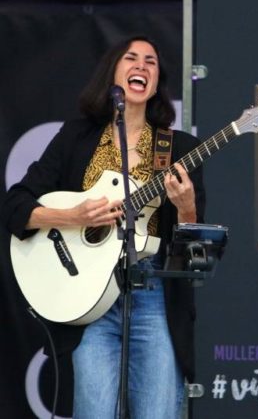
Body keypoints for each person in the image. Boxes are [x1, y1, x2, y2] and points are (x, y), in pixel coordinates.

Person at [1, 36, 205, 418]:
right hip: (89, 299)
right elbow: (15, 206)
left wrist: (187, 207)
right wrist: (74, 216)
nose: (142, 66)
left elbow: (196, 248)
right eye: (131, 58)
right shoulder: (76, 137)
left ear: (157, 82)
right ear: (112, 73)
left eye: (151, 62)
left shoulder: (178, 148)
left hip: (153, 295)